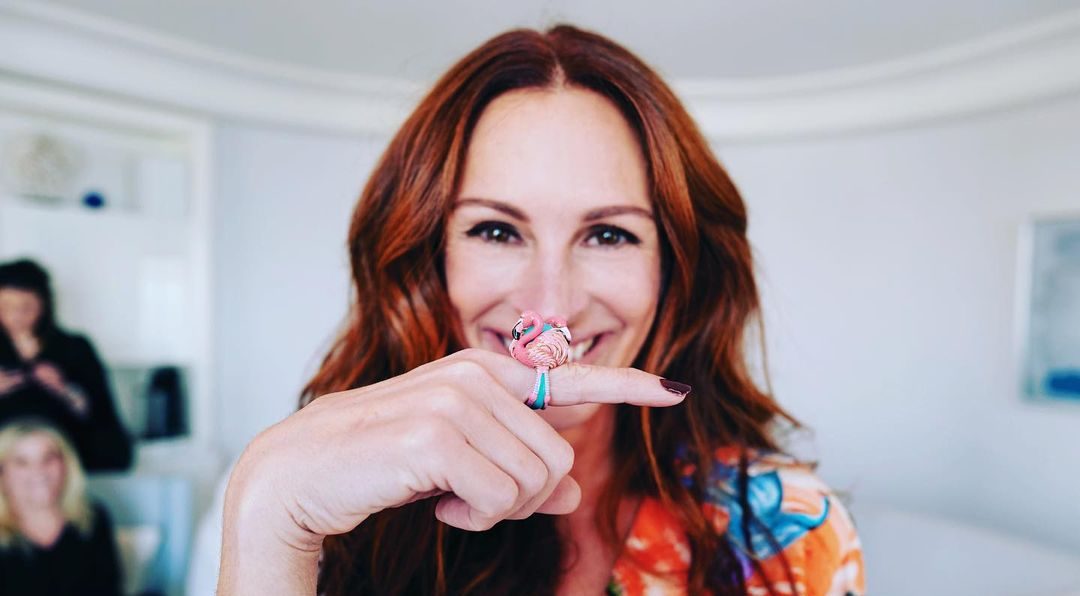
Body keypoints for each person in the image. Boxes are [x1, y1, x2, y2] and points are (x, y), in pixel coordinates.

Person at [218, 24, 866, 595]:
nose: (552, 306)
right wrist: (266, 512)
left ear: (674, 268)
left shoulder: (791, 532)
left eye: (608, 235)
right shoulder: (327, 515)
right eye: (497, 231)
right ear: (430, 257)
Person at [0, 259, 133, 472]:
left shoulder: (74, 348)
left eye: (26, 307)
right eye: (6, 307)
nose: (16, 316)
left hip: (67, 461)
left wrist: (65, 390)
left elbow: (103, 418)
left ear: (44, 304)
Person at [0, 420, 122, 595]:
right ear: (2, 474)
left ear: (65, 465)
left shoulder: (93, 517)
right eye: (22, 462)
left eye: (48, 458)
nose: (39, 471)